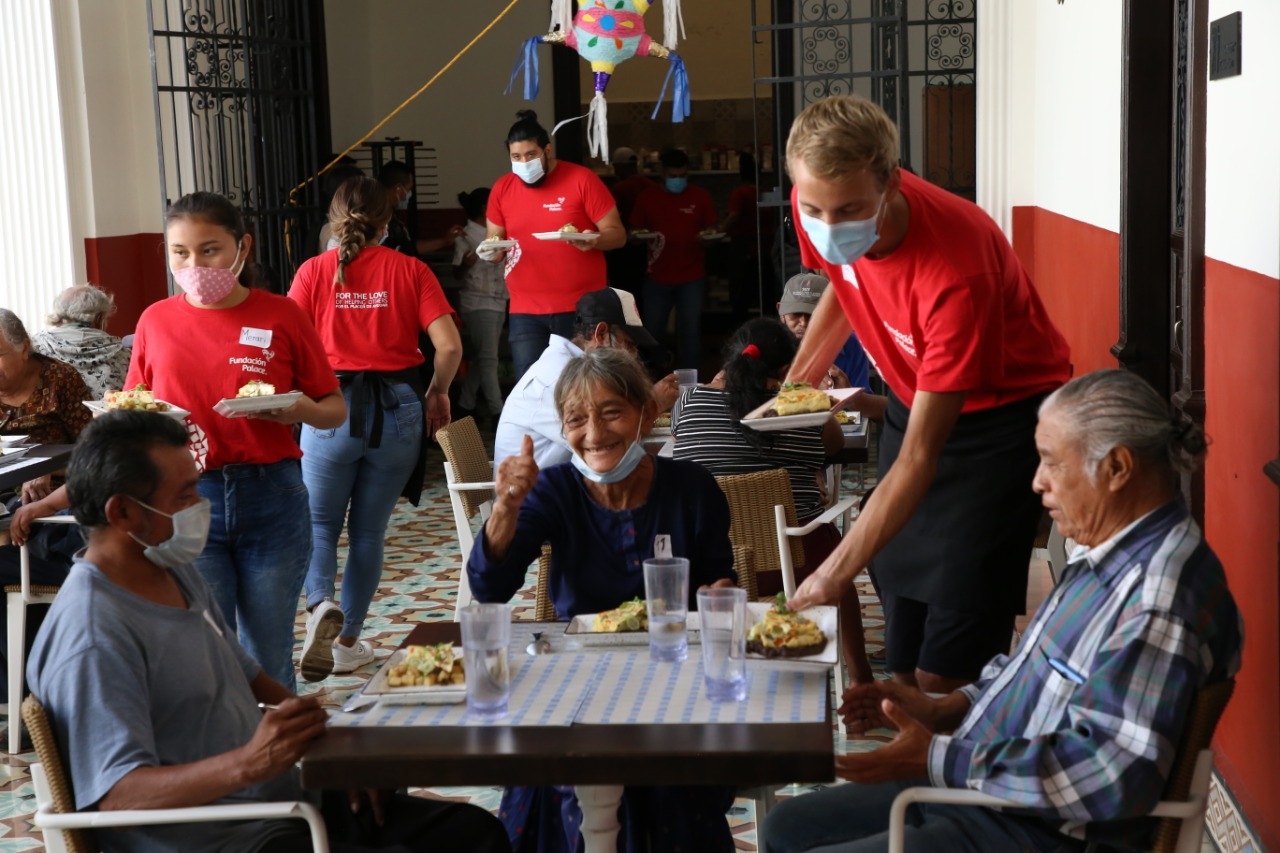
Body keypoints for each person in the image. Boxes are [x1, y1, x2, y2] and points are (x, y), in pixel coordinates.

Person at [762, 369, 1244, 853]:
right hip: (988, 791)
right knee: (785, 827)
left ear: (1117, 468)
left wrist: (935, 758)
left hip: (1037, 829)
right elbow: (1033, 670)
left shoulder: (1157, 597)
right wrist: (943, 707)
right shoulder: (1109, 553)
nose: (1037, 483)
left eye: (1052, 463)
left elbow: (1111, 775)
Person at [26, 410, 510, 853]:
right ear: (123, 513)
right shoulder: (93, 633)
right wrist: (251, 762)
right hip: (225, 839)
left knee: (472, 833)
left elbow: (249, 675)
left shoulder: (170, 568)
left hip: (281, 808)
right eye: (185, 496)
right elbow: (115, 797)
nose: (201, 506)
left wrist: (337, 753)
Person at [783, 95, 1072, 696]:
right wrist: (797, 382)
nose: (830, 227)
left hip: (999, 424)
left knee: (952, 648)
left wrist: (833, 573)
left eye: (849, 210)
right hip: (917, 401)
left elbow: (920, 459)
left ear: (890, 182)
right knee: (903, 634)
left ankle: (953, 762)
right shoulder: (821, 204)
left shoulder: (956, 272)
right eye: (814, 209)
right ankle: (912, 759)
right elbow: (842, 278)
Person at [468, 347, 737, 853]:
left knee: (665, 787)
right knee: (553, 782)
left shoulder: (691, 488)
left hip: (673, 689)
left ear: (647, 414)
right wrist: (506, 505)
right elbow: (489, 586)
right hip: (575, 690)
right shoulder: (554, 491)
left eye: (611, 412)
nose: (594, 434)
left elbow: (718, 578)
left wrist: (720, 594)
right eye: (576, 419)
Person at [128, 191, 347, 693]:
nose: (194, 263)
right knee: (208, 652)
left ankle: (277, 769)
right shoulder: (155, 321)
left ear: (242, 246)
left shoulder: (283, 315)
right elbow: (134, 408)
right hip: (186, 499)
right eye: (180, 252)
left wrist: (299, 410)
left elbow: (334, 407)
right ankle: (224, 768)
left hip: (273, 495)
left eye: (210, 249)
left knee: (268, 658)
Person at [289, 177, 463, 681]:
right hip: (399, 409)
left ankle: (320, 605)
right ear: (390, 223)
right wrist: (437, 391)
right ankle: (347, 642)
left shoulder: (313, 272)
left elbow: (289, 344)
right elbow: (449, 347)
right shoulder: (412, 269)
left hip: (331, 408)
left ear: (334, 219)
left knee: (320, 526)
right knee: (368, 532)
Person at [672, 318, 872, 683]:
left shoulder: (690, 400)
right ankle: (859, 678)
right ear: (786, 370)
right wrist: (805, 392)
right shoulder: (801, 413)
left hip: (712, 567)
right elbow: (835, 445)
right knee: (832, 548)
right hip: (797, 565)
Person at [479, 110, 625, 380]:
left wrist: (592, 240)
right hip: (525, 310)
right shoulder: (502, 188)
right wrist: (490, 252)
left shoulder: (582, 180)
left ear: (547, 150)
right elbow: (496, 243)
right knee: (531, 388)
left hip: (582, 308)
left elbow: (617, 234)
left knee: (586, 387)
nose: (524, 162)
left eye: (531, 155)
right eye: (516, 157)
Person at [0, 308, 92, 703]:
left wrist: (51, 472)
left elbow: (94, 451)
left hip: (55, 506)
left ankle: (32, 695)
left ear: (25, 348)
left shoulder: (60, 379)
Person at [492, 288, 678, 470]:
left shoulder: (578, 369)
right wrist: (653, 404)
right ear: (601, 334)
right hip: (532, 497)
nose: (634, 354)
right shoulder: (558, 377)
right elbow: (608, 447)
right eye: (629, 344)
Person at [631, 147, 718, 370]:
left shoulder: (700, 196)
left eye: (682, 176)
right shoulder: (647, 198)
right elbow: (634, 233)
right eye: (673, 177)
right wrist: (639, 236)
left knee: (691, 331)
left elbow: (711, 231)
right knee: (652, 331)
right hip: (657, 277)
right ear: (662, 173)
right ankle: (654, 376)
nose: (678, 180)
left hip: (692, 276)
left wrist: (707, 239)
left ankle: (691, 382)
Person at [452, 186, 509, 426]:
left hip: (497, 299)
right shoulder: (466, 235)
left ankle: (465, 405)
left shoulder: (494, 233)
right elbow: (457, 272)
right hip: (478, 301)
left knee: (483, 357)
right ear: (487, 208)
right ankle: (499, 413)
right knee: (488, 359)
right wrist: (470, 261)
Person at [31, 283, 132, 400]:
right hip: (107, 417)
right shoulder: (123, 353)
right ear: (100, 317)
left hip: (50, 418)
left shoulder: (34, 347)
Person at [777, 272, 871, 392]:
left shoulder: (851, 344)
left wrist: (847, 391)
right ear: (781, 313)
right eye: (795, 315)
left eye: (813, 315)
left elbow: (863, 402)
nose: (804, 322)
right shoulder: (768, 347)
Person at [720, 151, 776, 324]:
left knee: (740, 297)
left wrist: (720, 231)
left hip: (743, 249)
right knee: (766, 295)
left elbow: (734, 216)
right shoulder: (765, 193)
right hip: (765, 248)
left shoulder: (740, 193)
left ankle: (739, 332)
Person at [375, 160, 464, 258]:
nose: (408, 195)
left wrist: (444, 241)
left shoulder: (391, 216)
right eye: (408, 189)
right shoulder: (376, 218)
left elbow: (408, 247)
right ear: (398, 189)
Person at [603, 146, 655, 297]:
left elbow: (612, 218)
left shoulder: (619, 189)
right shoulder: (651, 185)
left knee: (625, 292)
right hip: (650, 247)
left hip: (625, 248)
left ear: (619, 167)